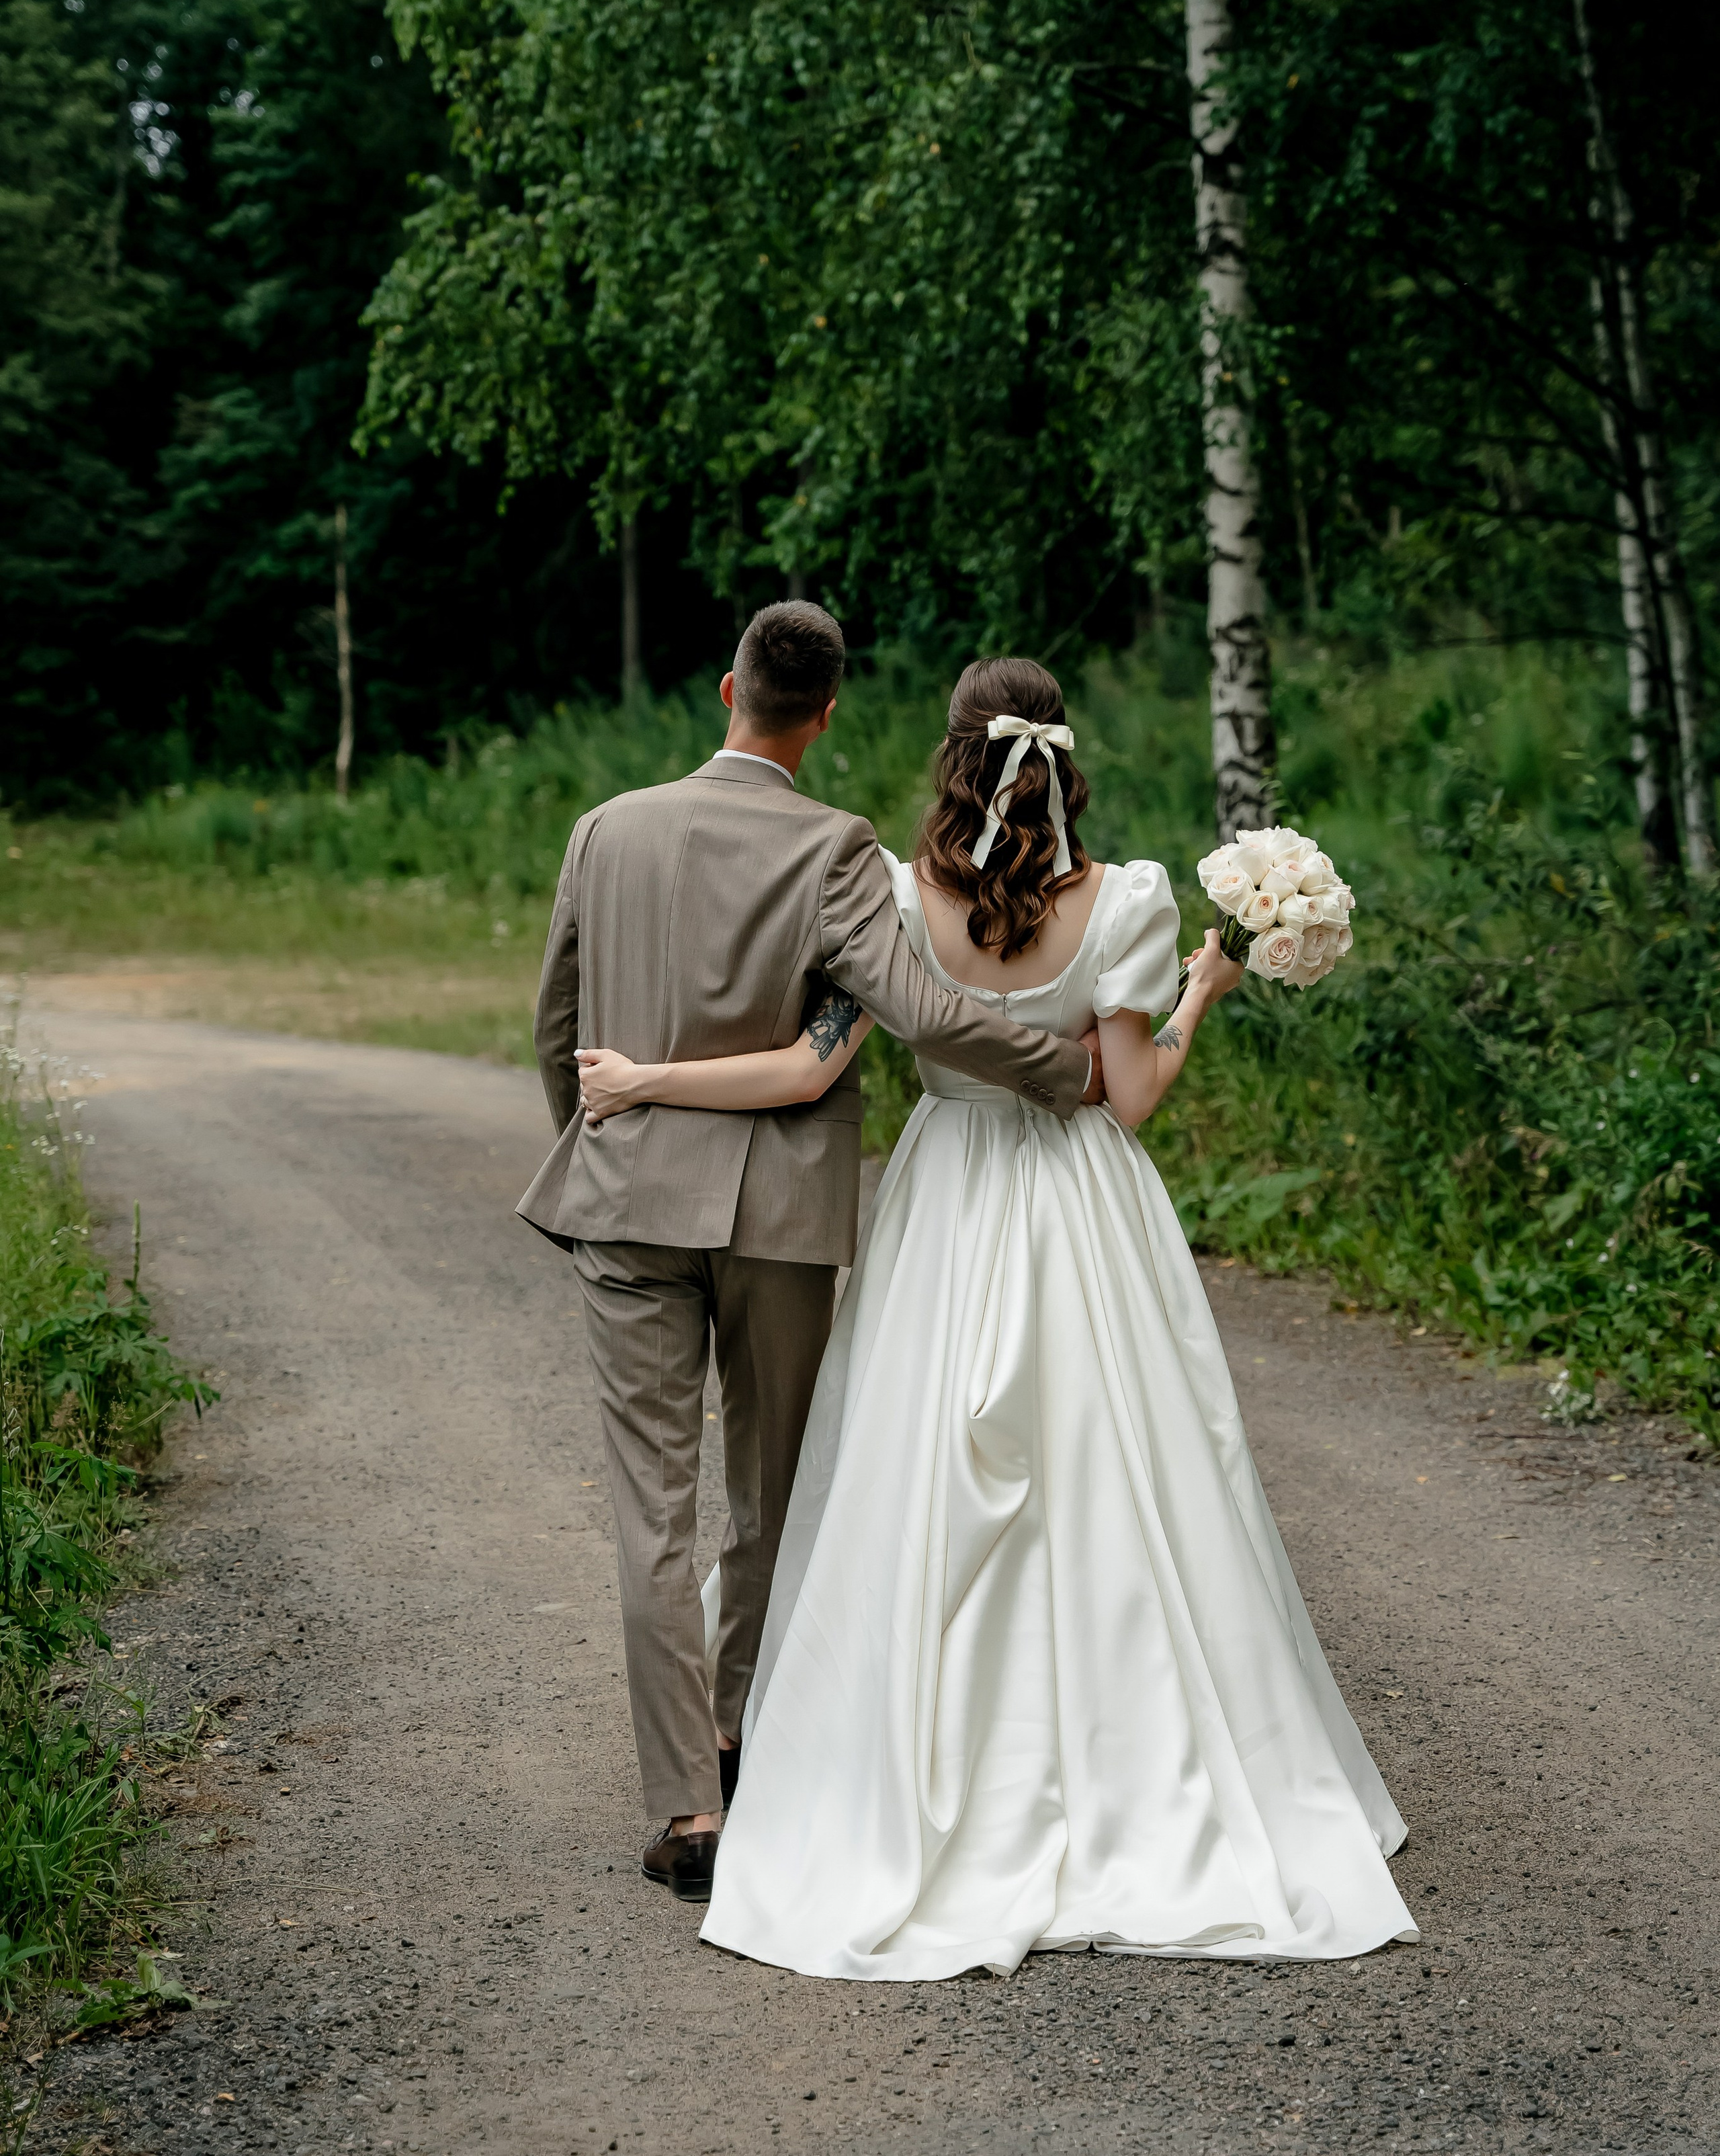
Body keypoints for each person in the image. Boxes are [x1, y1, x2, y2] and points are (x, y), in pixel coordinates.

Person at [574, 655, 1417, 1975]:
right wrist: (1201, 991)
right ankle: (1148, 1760)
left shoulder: (895, 901)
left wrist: (641, 1082)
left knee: (911, 1486)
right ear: (1065, 758)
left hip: (946, 1203)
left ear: (950, 758)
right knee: (1119, 1477)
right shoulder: (1125, 898)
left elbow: (813, 1063)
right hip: (1083, 1212)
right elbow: (1122, 1097)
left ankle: (882, 1763)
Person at [517, 606, 1099, 1905]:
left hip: (624, 1208)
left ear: (729, 688)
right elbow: (922, 1010)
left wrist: (595, 1155)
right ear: (825, 712)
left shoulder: (606, 829)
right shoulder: (837, 848)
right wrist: (1062, 1066)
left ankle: (686, 1807)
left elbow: (556, 1021)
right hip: (779, 1223)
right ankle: (748, 1742)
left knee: (650, 1514)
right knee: (769, 1495)